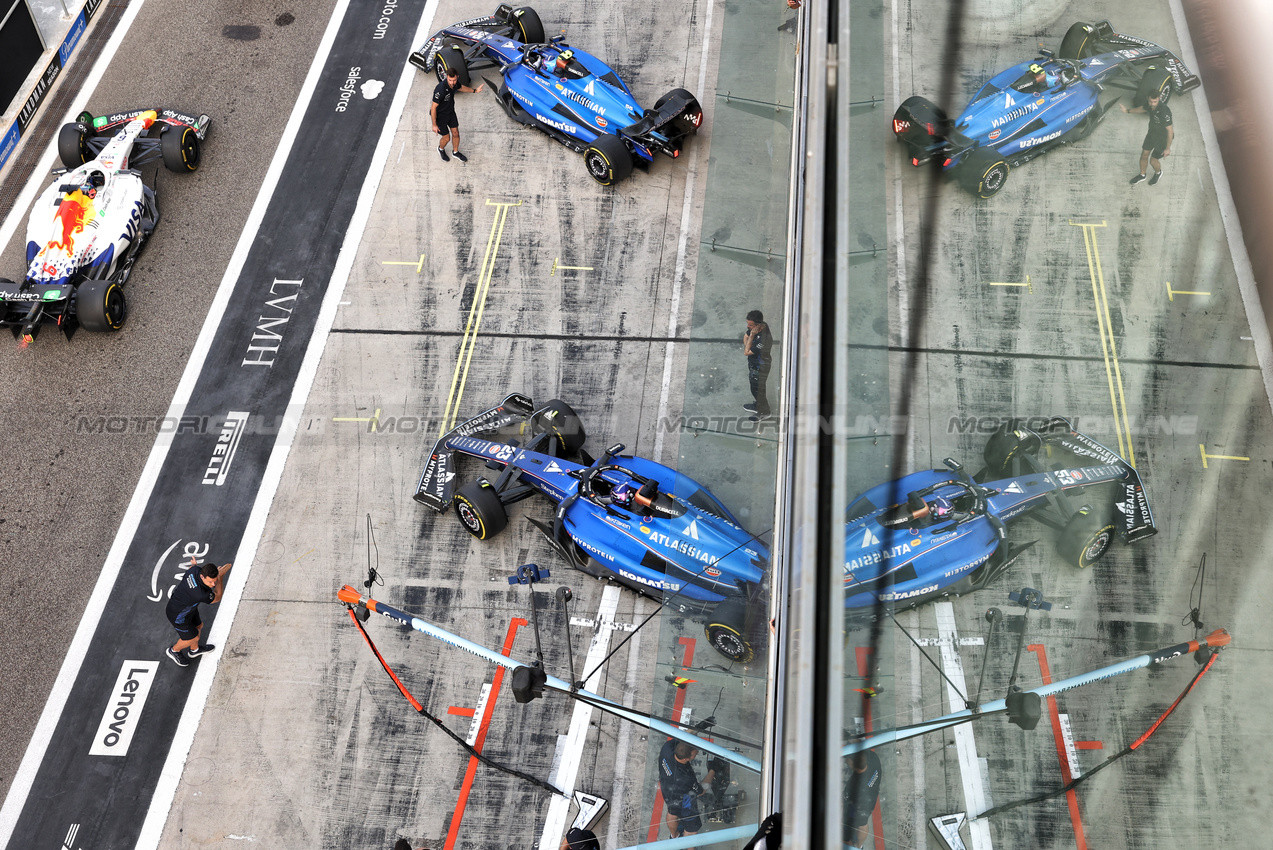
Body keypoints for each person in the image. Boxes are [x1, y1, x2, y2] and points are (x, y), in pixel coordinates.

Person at [165, 558, 231, 667]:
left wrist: (194, 564)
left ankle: (194, 650)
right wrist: (220, 578)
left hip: (188, 608)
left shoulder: (195, 569)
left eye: (214, 580)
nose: (213, 584)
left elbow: (192, 568)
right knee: (193, 637)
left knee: (199, 625)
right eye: (210, 581)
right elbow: (218, 597)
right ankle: (174, 650)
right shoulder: (200, 594)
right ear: (202, 576)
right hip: (178, 615)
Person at [659, 740, 715, 845]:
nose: (697, 752)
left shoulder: (667, 749)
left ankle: (674, 836)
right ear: (686, 759)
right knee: (691, 831)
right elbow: (701, 791)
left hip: (667, 790)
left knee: (672, 812)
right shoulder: (686, 778)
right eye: (695, 753)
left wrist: (697, 728)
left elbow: (681, 736)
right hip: (685, 800)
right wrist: (712, 770)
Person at [432, 68, 484, 163]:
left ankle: (455, 152)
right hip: (440, 117)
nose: (452, 82)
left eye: (454, 80)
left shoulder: (455, 84)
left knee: (455, 133)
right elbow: (433, 108)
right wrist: (434, 124)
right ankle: (441, 149)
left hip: (450, 113)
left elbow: (461, 87)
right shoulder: (440, 89)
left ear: (457, 77)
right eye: (450, 80)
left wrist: (475, 91)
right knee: (446, 138)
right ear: (446, 77)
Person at [1121, 91, 1173, 185]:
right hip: (1151, 134)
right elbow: (1142, 108)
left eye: (1155, 102)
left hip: (1162, 139)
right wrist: (1128, 111)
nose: (1152, 104)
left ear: (1159, 99)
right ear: (1148, 99)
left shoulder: (1164, 111)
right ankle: (1142, 175)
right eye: (1150, 101)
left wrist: (1168, 148)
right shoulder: (1149, 105)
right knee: (1144, 154)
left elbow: (1170, 130)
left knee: (1153, 161)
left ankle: (1158, 173)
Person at [843, 748, 882, 850]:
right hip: (871, 795)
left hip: (860, 805)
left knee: (856, 827)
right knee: (862, 823)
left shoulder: (856, 788)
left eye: (848, 760)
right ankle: (859, 846)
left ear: (854, 766)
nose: (846, 760)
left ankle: (853, 846)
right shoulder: (873, 758)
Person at [742, 310, 773, 421]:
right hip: (754, 364)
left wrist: (751, 338)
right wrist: (748, 345)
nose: (748, 326)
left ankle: (764, 412)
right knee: (754, 388)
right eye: (748, 323)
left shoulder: (764, 339)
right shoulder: (760, 325)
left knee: (758, 390)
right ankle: (758, 405)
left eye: (750, 325)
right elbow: (745, 337)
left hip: (761, 367)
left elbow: (746, 352)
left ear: (758, 325)